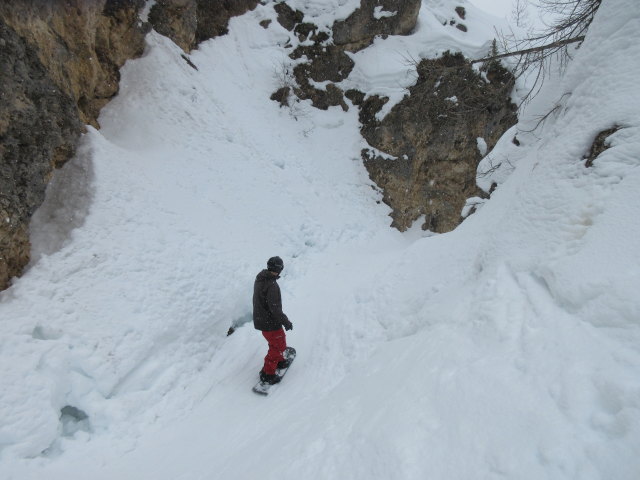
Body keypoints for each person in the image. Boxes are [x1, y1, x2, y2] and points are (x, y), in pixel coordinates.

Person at [253, 256, 293, 384]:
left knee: (279, 342)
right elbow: (275, 309)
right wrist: (285, 321)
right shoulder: (272, 285)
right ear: (279, 269)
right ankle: (267, 373)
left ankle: (280, 361)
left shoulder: (260, 278)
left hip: (262, 319)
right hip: (270, 322)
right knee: (277, 346)